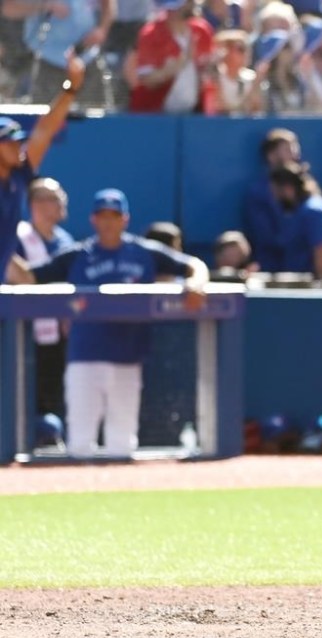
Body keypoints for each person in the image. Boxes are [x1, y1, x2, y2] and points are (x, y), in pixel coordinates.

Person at [10, 188, 209, 459]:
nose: (108, 221)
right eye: (102, 215)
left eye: (114, 215)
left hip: (128, 357)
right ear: (93, 219)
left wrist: (196, 283)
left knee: (122, 446)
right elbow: (29, 278)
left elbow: (193, 265)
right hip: (84, 357)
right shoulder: (77, 254)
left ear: (125, 219)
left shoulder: (143, 252)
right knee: (79, 446)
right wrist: (5, 247)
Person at [1, 54, 84, 279]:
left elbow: (45, 130)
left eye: (19, 141)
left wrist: (70, 88)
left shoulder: (18, 177)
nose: (19, 146)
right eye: (10, 142)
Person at [15, 178, 75, 419]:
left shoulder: (65, 240)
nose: (62, 201)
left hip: (60, 334)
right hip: (22, 335)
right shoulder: (17, 238)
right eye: (54, 197)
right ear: (36, 204)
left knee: (53, 394)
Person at [129, 0, 215, 113]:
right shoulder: (151, 33)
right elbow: (146, 81)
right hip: (156, 115)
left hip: (194, 114)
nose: (192, 3)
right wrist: (173, 68)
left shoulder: (202, 30)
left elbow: (208, 72)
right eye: (187, 1)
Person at [267, 161, 322, 278]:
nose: (275, 198)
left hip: (313, 291)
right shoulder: (300, 211)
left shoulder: (314, 211)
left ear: (288, 188)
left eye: (276, 192)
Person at [244, 127, 302, 271]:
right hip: (271, 269)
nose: (295, 156)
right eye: (288, 150)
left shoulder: (305, 190)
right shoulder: (258, 193)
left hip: (303, 269)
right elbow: (267, 237)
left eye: (295, 149)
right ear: (271, 156)